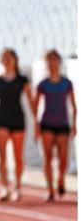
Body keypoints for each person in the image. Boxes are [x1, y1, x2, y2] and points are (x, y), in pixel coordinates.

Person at [0, 49, 36, 202]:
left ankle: (17, 186)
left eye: (10, 58)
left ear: (15, 60)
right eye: (4, 58)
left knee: (18, 157)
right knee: (2, 157)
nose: (7, 60)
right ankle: (4, 187)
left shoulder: (23, 80)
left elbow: (31, 103)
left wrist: (36, 122)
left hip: (17, 119)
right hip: (1, 120)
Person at [34, 50, 76, 201]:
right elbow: (35, 105)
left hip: (63, 124)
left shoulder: (67, 83)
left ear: (59, 61)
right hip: (46, 124)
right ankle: (50, 189)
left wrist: (74, 124)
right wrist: (36, 124)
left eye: (54, 59)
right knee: (47, 158)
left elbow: (73, 104)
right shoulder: (42, 84)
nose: (51, 63)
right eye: (48, 60)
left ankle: (60, 180)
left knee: (63, 158)